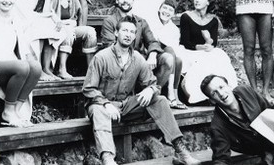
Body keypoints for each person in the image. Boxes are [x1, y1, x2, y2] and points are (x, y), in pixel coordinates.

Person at [83, 16, 200, 165]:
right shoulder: (102, 57)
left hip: (125, 106)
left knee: (160, 100)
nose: (128, 34)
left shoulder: (138, 59)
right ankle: (108, 159)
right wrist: (106, 104)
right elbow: (88, 89)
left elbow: (153, 83)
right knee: (98, 110)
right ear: (116, 33)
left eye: (132, 32)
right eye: (124, 30)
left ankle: (180, 150)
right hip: (101, 107)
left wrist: (150, 90)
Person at [201, 75, 274, 165]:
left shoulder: (245, 91)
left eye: (221, 87)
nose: (221, 94)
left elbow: (270, 112)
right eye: (214, 93)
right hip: (271, 153)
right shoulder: (218, 125)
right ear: (212, 100)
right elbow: (221, 158)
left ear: (229, 86)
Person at [100, 0, 177, 106]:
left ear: (133, 1)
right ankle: (138, 100)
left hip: (141, 63)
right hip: (120, 64)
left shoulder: (141, 22)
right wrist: (136, 58)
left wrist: (152, 54)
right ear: (117, 1)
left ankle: (152, 94)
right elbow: (110, 46)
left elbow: (152, 41)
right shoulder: (110, 22)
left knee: (168, 59)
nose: (125, 0)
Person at [179, 0, 237, 104]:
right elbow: (184, 41)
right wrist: (198, 47)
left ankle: (226, 91)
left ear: (207, 2)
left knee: (219, 56)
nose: (197, 0)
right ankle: (198, 96)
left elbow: (214, 42)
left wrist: (209, 42)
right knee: (203, 60)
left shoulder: (213, 20)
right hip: (189, 51)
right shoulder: (186, 17)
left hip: (205, 50)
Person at [18, 0, 66, 81]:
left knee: (54, 28)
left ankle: (46, 68)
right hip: (21, 22)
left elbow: (46, 12)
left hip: (36, 20)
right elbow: (24, 13)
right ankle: (37, 70)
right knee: (42, 27)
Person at [51, 0, 97, 79]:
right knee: (67, 31)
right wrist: (65, 23)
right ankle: (62, 69)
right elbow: (49, 15)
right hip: (54, 29)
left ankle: (91, 70)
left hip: (70, 27)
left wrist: (71, 24)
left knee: (90, 32)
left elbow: (77, 19)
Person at [151, 0, 186, 109]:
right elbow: (151, 43)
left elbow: (173, 49)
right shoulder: (152, 23)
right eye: (164, 8)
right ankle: (171, 94)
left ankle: (174, 94)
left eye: (170, 10)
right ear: (159, 9)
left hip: (169, 57)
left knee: (178, 60)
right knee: (170, 52)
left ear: (173, 14)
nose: (166, 11)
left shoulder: (174, 29)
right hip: (153, 55)